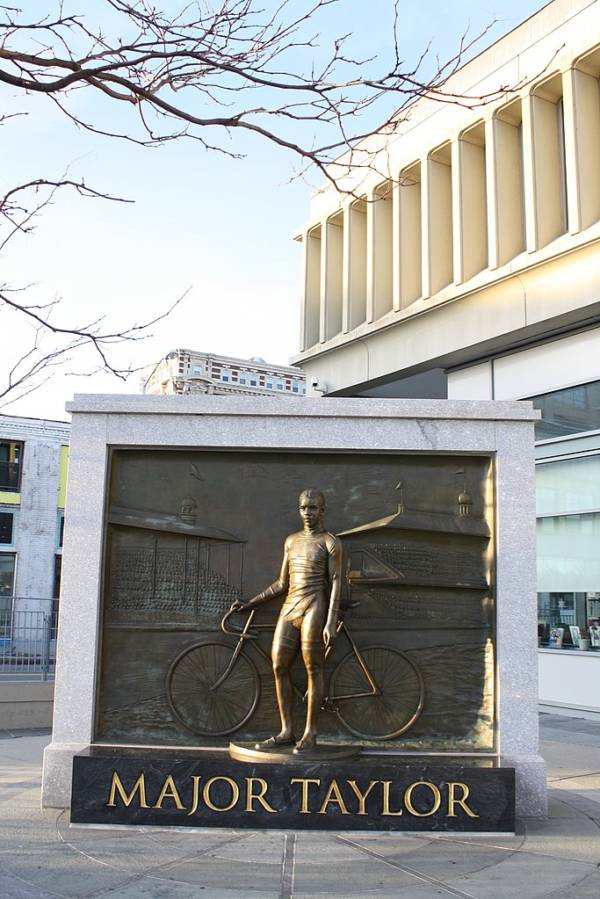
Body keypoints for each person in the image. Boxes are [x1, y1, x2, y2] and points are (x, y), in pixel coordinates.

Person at [230, 488, 342, 753]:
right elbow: (282, 583)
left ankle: (310, 733)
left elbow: (336, 583)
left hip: (315, 605)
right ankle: (287, 731)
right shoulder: (291, 541)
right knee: (279, 665)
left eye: (313, 508)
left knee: (313, 669)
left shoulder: (331, 543)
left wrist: (330, 621)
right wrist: (250, 603)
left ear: (322, 510)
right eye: (303, 508)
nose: (307, 513)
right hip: (290, 606)